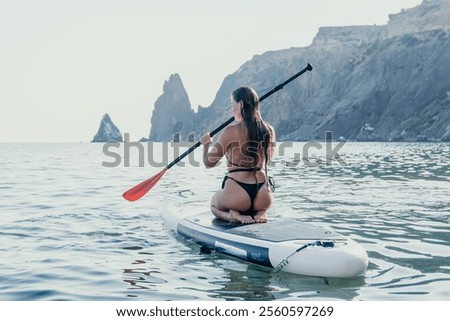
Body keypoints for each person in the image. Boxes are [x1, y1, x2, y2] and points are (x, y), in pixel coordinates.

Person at [200, 86, 276, 224]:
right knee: (257, 203)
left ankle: (232, 215)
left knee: (213, 204)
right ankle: (261, 212)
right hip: (263, 194)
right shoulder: (269, 130)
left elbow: (208, 163)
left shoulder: (231, 131)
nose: (232, 109)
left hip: (237, 193)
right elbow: (268, 158)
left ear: (240, 104)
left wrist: (206, 144)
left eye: (232, 104)